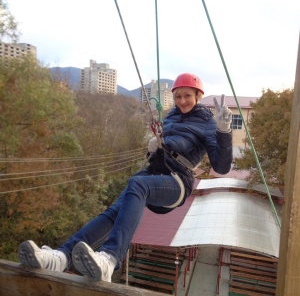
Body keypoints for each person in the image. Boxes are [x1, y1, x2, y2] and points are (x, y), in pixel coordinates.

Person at [18, 73, 233, 282]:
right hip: (154, 174)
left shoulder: (208, 123)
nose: (182, 100)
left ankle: (110, 258)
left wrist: (224, 131)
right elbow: (164, 148)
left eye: (187, 95)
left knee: (137, 184)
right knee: (114, 212)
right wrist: (153, 148)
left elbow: (221, 166)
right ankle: (61, 257)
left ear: (198, 96)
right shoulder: (171, 116)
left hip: (177, 182)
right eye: (178, 96)